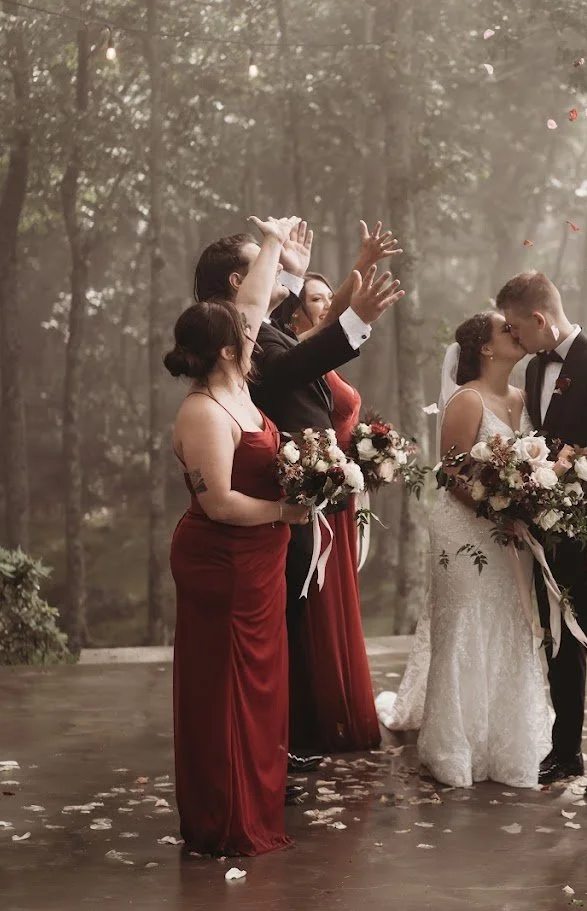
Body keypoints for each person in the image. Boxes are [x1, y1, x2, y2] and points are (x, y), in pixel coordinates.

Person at [192, 221, 401, 775]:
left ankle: (293, 735)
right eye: (265, 259)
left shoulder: (258, 327)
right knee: (281, 625)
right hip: (274, 502)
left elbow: (294, 330)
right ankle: (276, 742)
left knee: (296, 621)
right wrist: (358, 318)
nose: (280, 260)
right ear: (241, 279)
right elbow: (286, 364)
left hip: (300, 494)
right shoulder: (235, 343)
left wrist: (290, 270)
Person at [166, 215, 311, 857]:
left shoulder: (241, 386)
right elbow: (220, 504)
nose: (259, 334)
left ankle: (256, 800)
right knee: (225, 684)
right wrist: (286, 515)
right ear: (228, 348)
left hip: (259, 564)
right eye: (247, 335)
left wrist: (276, 243)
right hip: (221, 563)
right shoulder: (203, 410)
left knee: (260, 685)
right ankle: (225, 817)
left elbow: (248, 303)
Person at [376, 312, 550, 788]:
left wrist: (529, 506)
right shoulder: (467, 399)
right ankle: (454, 744)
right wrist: (500, 511)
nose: (515, 331)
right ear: (487, 349)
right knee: (465, 624)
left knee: (509, 622)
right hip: (465, 532)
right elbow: (450, 474)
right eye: (504, 329)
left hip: (511, 535)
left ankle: (504, 739)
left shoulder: (525, 397)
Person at [495, 271, 587, 798]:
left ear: (538, 318)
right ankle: (566, 751)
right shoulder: (535, 371)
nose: (514, 339)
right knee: (559, 643)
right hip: (551, 533)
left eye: (516, 328)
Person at [268, 267, 382, 754]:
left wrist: (373, 452)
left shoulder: (319, 360)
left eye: (324, 298)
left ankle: (326, 712)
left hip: (337, 489)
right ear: (296, 313)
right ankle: (306, 721)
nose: (322, 305)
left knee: (331, 603)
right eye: (311, 299)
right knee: (308, 606)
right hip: (312, 490)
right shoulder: (293, 354)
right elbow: (330, 320)